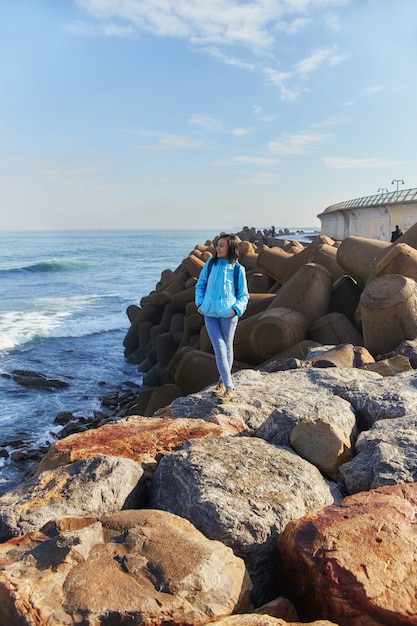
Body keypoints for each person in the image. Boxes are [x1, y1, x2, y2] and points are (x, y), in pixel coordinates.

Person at [195, 233, 249, 403]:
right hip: (209, 313)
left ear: (230, 247)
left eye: (221, 245)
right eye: (217, 245)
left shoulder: (238, 269)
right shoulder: (210, 264)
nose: (217, 248)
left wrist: (236, 310)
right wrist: (200, 305)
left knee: (227, 348)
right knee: (219, 348)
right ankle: (230, 387)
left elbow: (244, 295)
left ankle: (222, 382)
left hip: (228, 315)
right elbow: (200, 284)